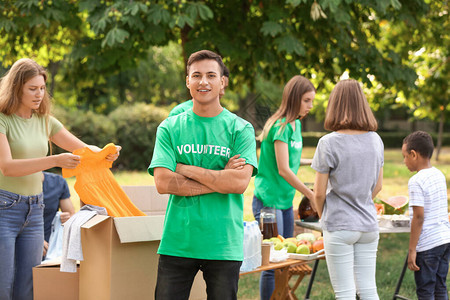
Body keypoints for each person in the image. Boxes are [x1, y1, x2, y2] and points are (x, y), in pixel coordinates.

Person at [0, 58, 120, 300]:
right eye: (32, 89)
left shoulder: (45, 121)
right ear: (16, 88)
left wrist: (106, 152)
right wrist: (54, 161)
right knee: (3, 285)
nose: (39, 94)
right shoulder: (3, 119)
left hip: (34, 210)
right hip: (5, 208)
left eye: (42, 88)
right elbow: (7, 167)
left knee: (27, 288)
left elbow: (84, 150)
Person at [148, 50, 258, 300]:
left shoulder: (240, 129)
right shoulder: (169, 128)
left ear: (223, 82)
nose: (203, 82)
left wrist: (184, 168)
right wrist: (221, 179)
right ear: (187, 81)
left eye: (211, 75)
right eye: (196, 75)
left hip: (223, 243)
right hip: (178, 240)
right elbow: (163, 182)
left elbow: (239, 182)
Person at [311, 79, 384, 299]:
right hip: (368, 225)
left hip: (340, 225)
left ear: (334, 104)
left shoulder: (328, 143)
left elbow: (318, 193)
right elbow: (378, 186)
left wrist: (325, 216)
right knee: (368, 289)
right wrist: (359, 200)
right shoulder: (376, 140)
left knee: (345, 293)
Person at [251, 75, 315, 299]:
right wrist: (310, 194)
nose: (310, 106)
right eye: (307, 100)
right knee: (272, 264)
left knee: (286, 260)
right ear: (295, 98)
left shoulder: (296, 125)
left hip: (286, 201)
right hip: (268, 202)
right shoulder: (280, 126)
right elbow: (283, 169)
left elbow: (294, 161)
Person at [402, 131, 450, 300]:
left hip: (428, 245)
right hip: (444, 240)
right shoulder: (438, 174)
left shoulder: (416, 181)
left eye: (405, 156)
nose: (404, 161)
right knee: (440, 288)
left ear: (413, 155)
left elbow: (419, 217)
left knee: (426, 291)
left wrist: (412, 249)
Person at [42, 171, 75, 259]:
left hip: (52, 247)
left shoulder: (57, 182)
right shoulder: (10, 184)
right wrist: (35, 240)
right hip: (22, 242)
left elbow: (71, 215)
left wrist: (65, 218)